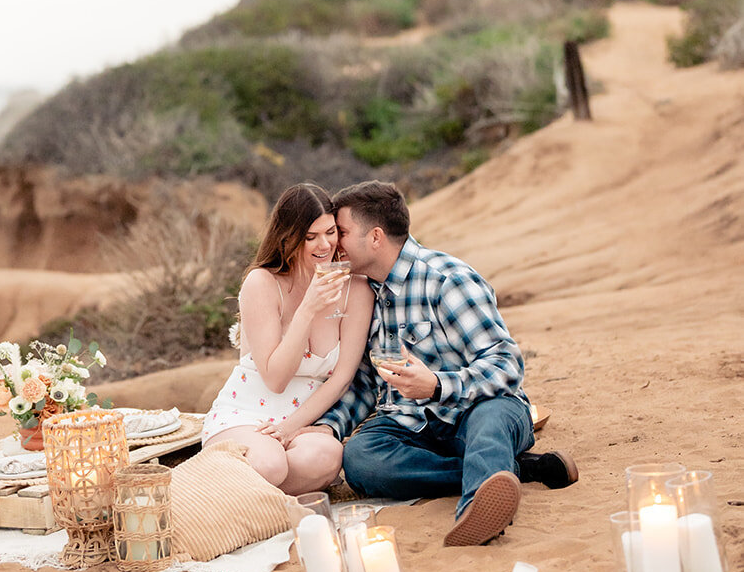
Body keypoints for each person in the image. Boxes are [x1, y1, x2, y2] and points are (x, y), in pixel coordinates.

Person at [314, 180, 578, 546]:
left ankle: (477, 511)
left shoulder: (446, 280)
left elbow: (506, 364)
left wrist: (437, 385)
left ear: (375, 237)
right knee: (361, 460)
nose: (332, 244)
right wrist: (329, 427)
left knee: (489, 424)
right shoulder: (362, 294)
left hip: (479, 410)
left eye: (340, 232)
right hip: (413, 427)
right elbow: (361, 383)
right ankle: (510, 470)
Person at [201, 183, 374, 495]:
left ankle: (250, 499)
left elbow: (342, 377)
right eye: (310, 237)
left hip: (301, 419)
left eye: (330, 232)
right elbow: (276, 379)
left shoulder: (356, 290)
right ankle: (243, 493)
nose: (325, 245)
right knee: (270, 464)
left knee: (327, 456)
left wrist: (290, 427)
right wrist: (308, 307)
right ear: (289, 237)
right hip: (250, 410)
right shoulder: (262, 283)